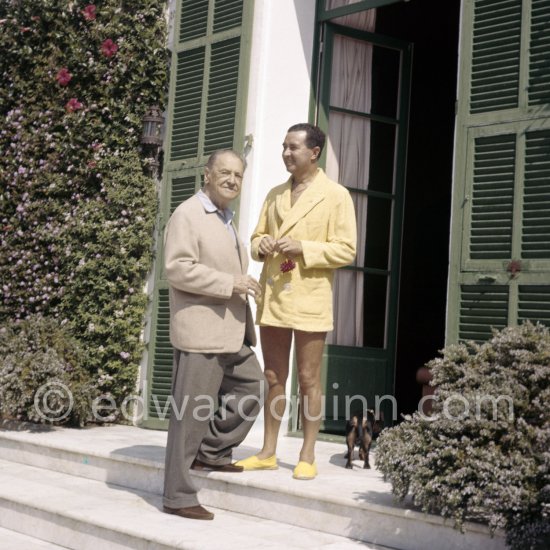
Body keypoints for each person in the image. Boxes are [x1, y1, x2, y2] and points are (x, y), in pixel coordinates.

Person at [235, 123, 357, 480]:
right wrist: (263, 245)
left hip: (310, 296)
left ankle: (307, 454)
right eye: (284, 147)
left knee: (308, 378)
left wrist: (303, 248)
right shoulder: (274, 194)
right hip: (275, 293)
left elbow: (347, 249)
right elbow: (256, 239)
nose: (286, 153)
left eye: (293, 148)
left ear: (314, 152)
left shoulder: (336, 196)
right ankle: (268, 451)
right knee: (273, 375)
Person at [162, 149, 265, 521]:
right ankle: (177, 494)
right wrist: (230, 283)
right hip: (201, 329)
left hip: (231, 330)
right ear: (207, 174)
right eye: (224, 172)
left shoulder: (226, 219)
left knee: (252, 388)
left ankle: (213, 452)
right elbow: (177, 269)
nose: (232, 180)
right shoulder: (189, 213)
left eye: (238, 175)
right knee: (189, 414)